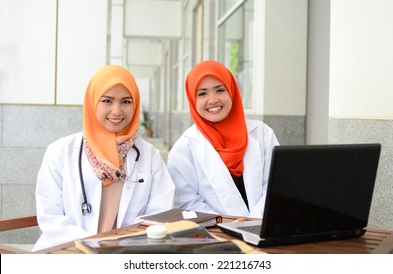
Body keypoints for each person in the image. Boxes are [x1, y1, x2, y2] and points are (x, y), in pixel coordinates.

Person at [33, 65, 175, 251]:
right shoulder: (60, 152)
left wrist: (120, 246)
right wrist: (93, 246)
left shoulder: (150, 156)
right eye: (107, 101)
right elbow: (50, 215)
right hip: (68, 250)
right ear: (93, 103)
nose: (116, 111)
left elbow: (160, 213)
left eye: (125, 102)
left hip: (127, 253)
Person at [167, 60, 279, 218]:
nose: (212, 100)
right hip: (216, 236)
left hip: (264, 227)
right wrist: (228, 226)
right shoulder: (183, 150)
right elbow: (187, 203)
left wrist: (255, 221)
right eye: (202, 93)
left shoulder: (262, 133)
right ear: (193, 100)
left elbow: (275, 185)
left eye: (220, 90)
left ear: (232, 91)